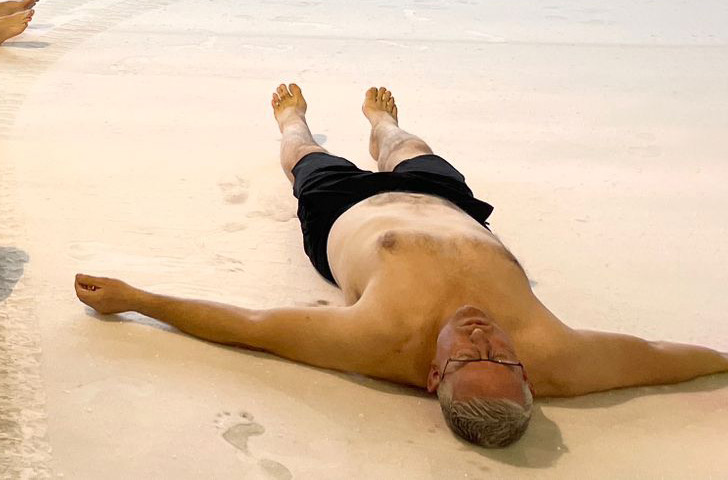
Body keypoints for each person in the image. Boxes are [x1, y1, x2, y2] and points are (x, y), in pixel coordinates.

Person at [73, 84, 728, 448]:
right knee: (411, 146)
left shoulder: (376, 341)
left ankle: (294, 120)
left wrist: (138, 299)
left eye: (476, 357)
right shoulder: (552, 355)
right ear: (527, 378)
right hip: (448, 204)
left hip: (342, 216)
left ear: (433, 375)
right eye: (506, 360)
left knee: (302, 158)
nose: (489, 340)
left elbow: (249, 324)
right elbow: (665, 356)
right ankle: (385, 124)